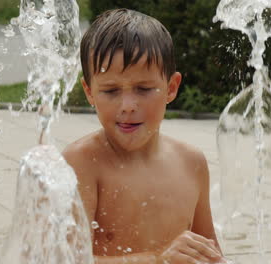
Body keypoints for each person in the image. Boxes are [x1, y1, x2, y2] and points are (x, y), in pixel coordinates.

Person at [63, 8, 224, 264]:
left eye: (144, 89)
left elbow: (210, 255)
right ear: (89, 92)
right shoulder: (81, 163)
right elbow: (64, 259)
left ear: (171, 88)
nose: (127, 105)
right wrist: (158, 260)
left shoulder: (191, 162)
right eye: (111, 91)